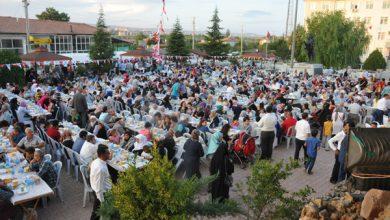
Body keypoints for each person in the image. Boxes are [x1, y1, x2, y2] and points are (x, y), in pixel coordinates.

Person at [90, 144, 112, 220]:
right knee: (97, 213)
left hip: (96, 190)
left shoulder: (96, 161)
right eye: (108, 153)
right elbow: (99, 188)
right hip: (101, 193)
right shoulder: (100, 169)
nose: (109, 154)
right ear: (102, 154)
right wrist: (102, 201)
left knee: (96, 212)